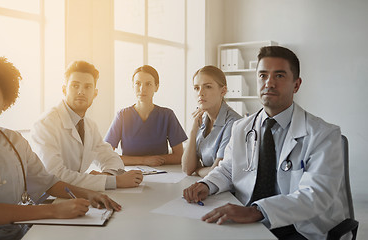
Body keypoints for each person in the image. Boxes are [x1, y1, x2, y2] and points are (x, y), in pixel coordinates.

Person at [0, 56, 121, 240]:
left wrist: (91, 194)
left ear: (5, 102)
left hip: (16, 231)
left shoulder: (13, 140)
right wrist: (53, 210)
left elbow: (47, 182)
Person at [183, 46, 349, 240]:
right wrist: (207, 184)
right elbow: (228, 169)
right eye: (263, 75)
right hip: (251, 223)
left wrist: (256, 211)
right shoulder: (240, 128)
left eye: (279, 76)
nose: (269, 83)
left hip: (300, 228)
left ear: (296, 85)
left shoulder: (324, 134)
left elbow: (315, 195)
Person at [31, 61, 143, 192]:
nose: (81, 92)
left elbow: (110, 158)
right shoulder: (46, 124)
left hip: (77, 195)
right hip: (49, 199)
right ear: (64, 89)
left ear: (95, 94)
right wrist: (115, 181)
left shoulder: (89, 126)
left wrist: (106, 176)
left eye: (87, 87)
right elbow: (55, 175)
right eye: (75, 86)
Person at [104, 65, 188, 166]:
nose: (142, 89)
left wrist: (157, 160)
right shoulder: (122, 116)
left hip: (164, 173)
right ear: (132, 86)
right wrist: (144, 161)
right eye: (138, 84)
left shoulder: (167, 115)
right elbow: (107, 156)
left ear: (156, 87)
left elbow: (179, 156)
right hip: (129, 174)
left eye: (148, 84)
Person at [181, 66, 241, 177]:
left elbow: (218, 171)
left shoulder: (234, 123)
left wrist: (198, 169)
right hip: (207, 185)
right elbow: (187, 169)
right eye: (196, 88)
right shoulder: (201, 119)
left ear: (223, 91)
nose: (200, 93)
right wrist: (193, 131)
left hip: (228, 191)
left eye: (207, 87)